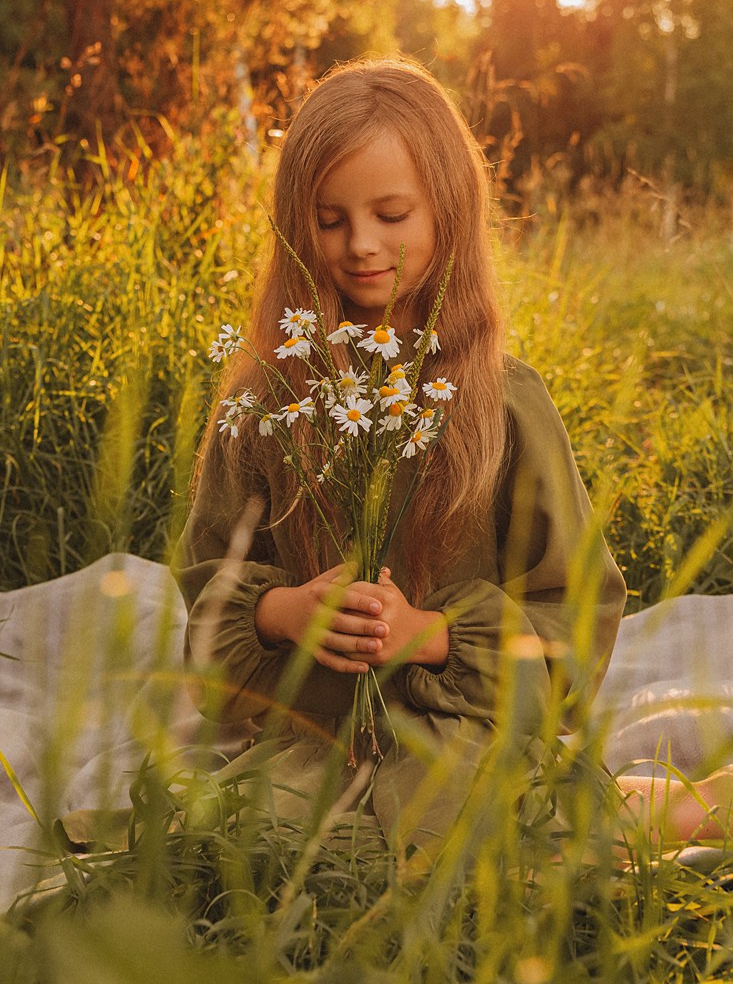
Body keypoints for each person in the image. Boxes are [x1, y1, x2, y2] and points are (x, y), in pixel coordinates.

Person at [173, 57, 635, 863]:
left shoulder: (503, 406)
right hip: (311, 736)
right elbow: (206, 588)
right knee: (229, 857)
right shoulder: (268, 402)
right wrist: (282, 614)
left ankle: (660, 803)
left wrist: (430, 636)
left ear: (448, 212)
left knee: (518, 849)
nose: (360, 246)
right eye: (327, 219)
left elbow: (577, 615)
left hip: (472, 734)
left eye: (391, 214)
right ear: (292, 225)